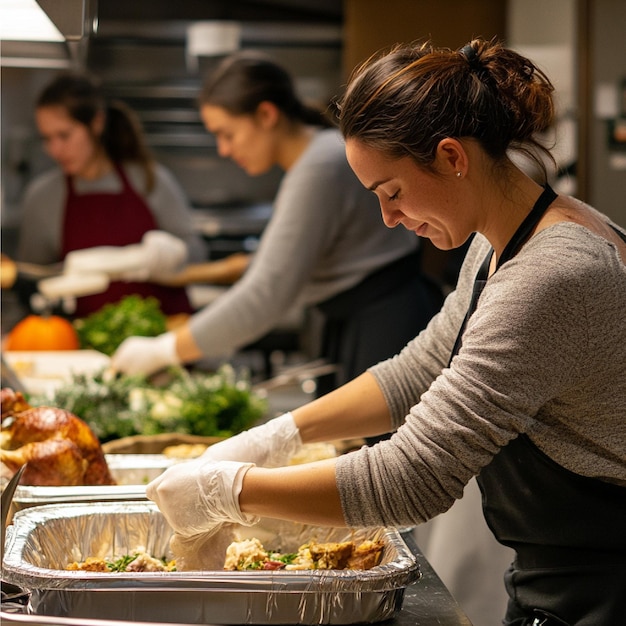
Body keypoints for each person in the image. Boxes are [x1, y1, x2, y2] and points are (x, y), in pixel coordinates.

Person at [145, 39, 626, 626]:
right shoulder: (499, 241)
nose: (388, 218)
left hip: (605, 587)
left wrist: (233, 491)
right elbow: (421, 369)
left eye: (392, 192)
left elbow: (414, 477)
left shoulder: (555, 272)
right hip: (563, 576)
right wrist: (280, 435)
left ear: (452, 157)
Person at [111, 51, 443, 394]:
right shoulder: (315, 158)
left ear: (266, 114)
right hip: (368, 320)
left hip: (385, 325)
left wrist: (162, 350)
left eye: (227, 134)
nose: (223, 150)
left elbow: (264, 295)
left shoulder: (319, 166)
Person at [16, 71, 207, 317]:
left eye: (64, 135)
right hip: (84, 345)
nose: (55, 150)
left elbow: (198, 255)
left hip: (165, 335)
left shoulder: (151, 179)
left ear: (96, 123)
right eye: (47, 138)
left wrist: (172, 255)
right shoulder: (42, 198)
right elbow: (34, 281)